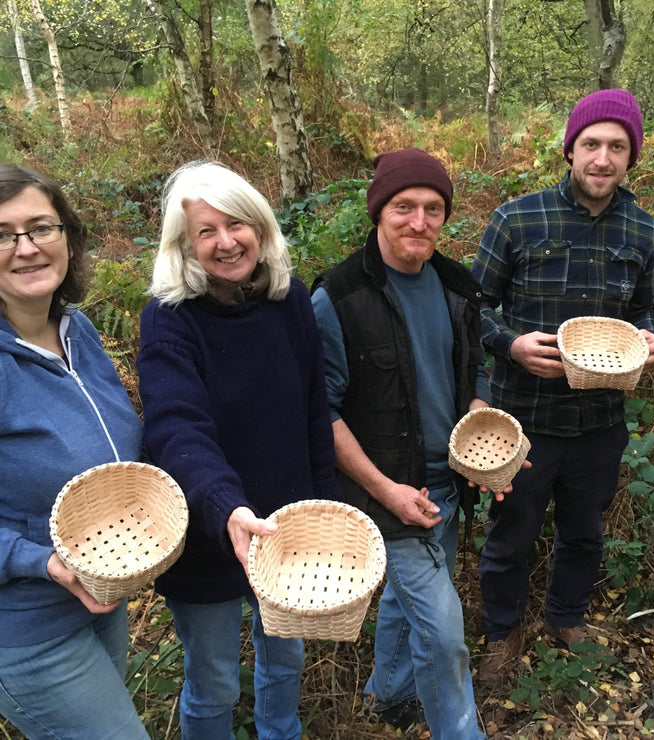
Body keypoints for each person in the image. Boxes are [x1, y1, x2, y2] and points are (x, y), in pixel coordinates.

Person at [136, 161, 341, 740]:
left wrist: (325, 507)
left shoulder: (290, 301)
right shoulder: (169, 319)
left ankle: (282, 733)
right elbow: (177, 427)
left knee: (286, 661)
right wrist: (226, 505)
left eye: (237, 224)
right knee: (216, 679)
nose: (226, 242)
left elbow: (312, 411)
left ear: (261, 227)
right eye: (206, 231)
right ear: (184, 245)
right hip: (209, 526)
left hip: (285, 530)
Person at [471, 89, 654, 684]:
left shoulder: (641, 229)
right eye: (591, 145)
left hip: (599, 424)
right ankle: (501, 632)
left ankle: (564, 616)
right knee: (510, 537)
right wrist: (512, 345)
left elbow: (652, 311)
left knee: (584, 532)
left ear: (630, 155)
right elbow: (470, 308)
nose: (602, 159)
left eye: (617, 147)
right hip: (524, 421)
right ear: (570, 149)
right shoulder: (518, 217)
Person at [311, 148, 490, 739]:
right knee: (443, 633)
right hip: (388, 492)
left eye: (433, 208)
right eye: (403, 207)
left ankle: (388, 693)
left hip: (449, 485)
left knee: (405, 604)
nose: (419, 222)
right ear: (378, 212)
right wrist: (386, 492)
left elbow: (474, 371)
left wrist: (480, 416)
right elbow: (323, 412)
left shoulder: (456, 287)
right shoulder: (337, 299)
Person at [0, 164, 148, 739]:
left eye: (41, 227)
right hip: (29, 629)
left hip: (100, 599)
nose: (26, 247)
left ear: (68, 236)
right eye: (3, 234)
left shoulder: (77, 332)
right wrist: (41, 562)